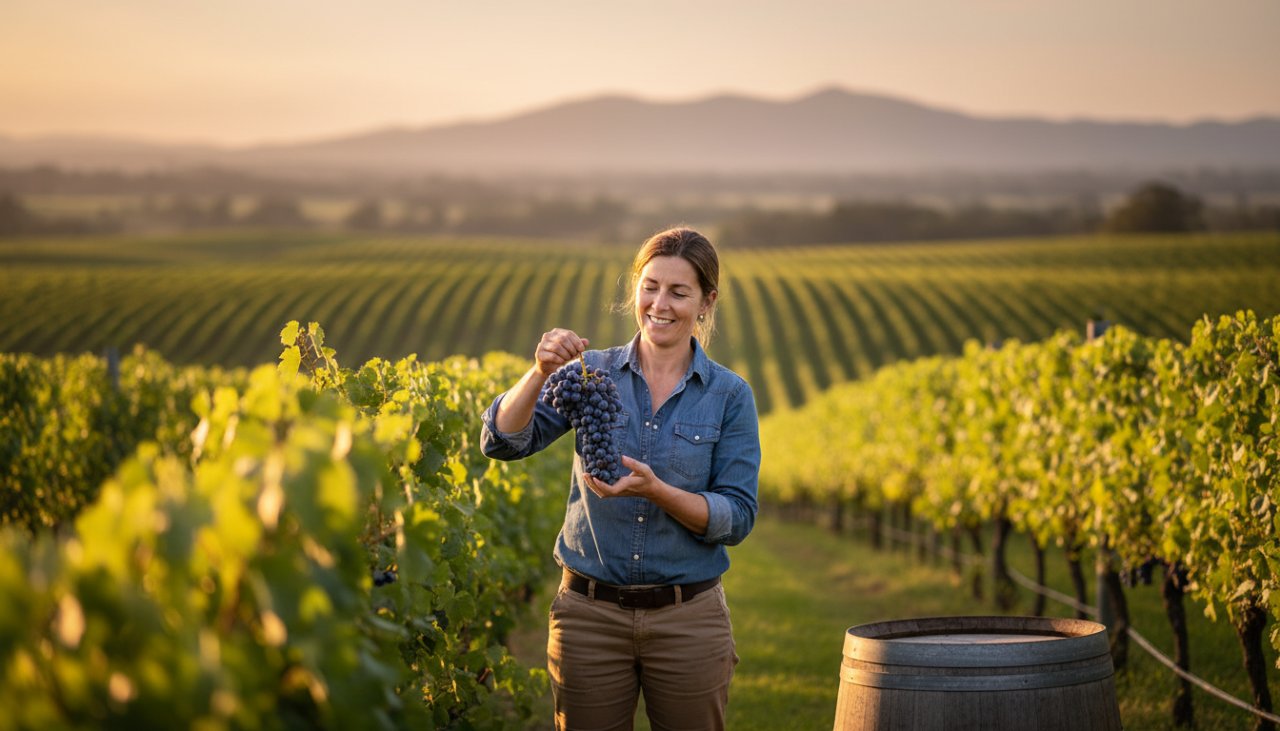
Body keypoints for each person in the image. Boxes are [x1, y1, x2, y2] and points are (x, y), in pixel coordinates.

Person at [480, 227, 761, 731]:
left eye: (679, 292)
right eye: (650, 286)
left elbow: (737, 517)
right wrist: (539, 371)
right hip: (588, 618)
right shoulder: (589, 373)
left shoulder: (729, 395)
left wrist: (659, 492)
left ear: (706, 302)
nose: (660, 304)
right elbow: (502, 442)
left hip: (688, 620)